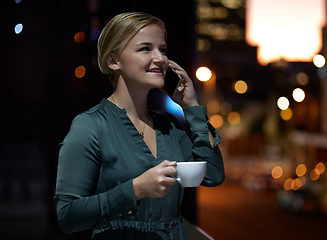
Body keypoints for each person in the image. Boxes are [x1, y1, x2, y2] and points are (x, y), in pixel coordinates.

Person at [54, 12, 225, 240]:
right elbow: (67, 216)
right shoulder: (90, 125)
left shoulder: (169, 126)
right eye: (146, 48)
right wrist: (135, 189)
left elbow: (213, 175)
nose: (160, 58)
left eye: (162, 50)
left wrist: (191, 106)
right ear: (113, 61)